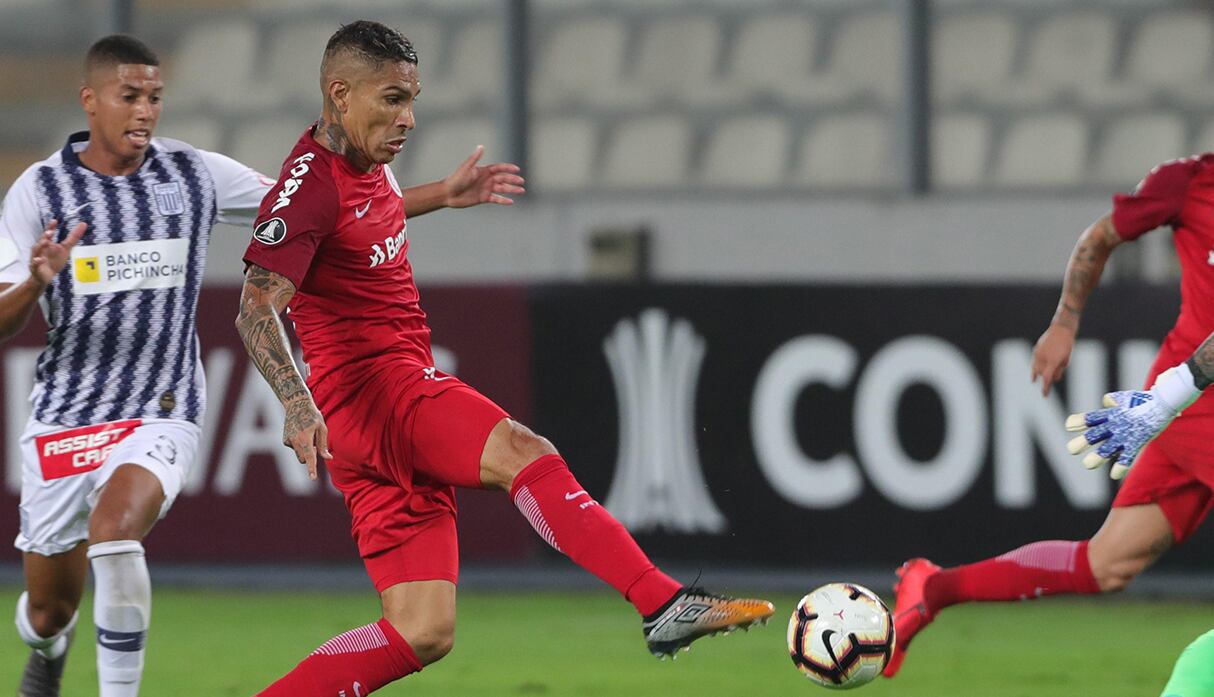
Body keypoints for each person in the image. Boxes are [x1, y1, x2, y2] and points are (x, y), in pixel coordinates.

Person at [236, 20, 774, 696]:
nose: (408, 118)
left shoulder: (362, 162)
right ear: (340, 94)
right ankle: (661, 602)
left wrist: (439, 196)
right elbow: (255, 303)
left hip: (365, 427)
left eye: (413, 99)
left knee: (421, 630)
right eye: (392, 99)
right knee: (524, 449)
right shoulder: (307, 187)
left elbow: (364, 218)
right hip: (384, 393)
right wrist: (295, 401)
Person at [1, 35, 273, 696]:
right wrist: (36, 283)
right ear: (90, 101)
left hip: (162, 408)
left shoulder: (192, 173)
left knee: (117, 531)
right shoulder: (38, 191)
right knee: (47, 610)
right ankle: (51, 643)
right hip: (64, 422)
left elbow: (309, 212)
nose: (146, 110)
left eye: (154, 96)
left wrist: (437, 192)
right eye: (131, 96)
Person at [884, 154, 1214, 678]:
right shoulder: (1189, 181)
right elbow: (1099, 238)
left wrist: (1168, 396)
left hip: (1176, 399)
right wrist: (1064, 321)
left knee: (1112, 565)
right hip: (1186, 408)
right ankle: (935, 589)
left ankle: (938, 587)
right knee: (1108, 563)